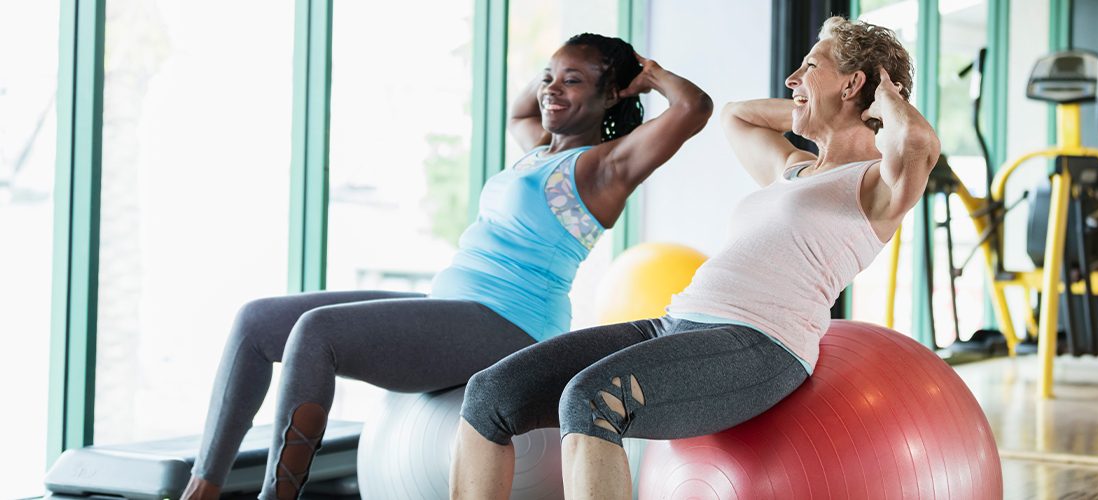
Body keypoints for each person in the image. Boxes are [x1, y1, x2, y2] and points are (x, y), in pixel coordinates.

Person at [181, 33, 712, 500]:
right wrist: (558, 72)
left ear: (611, 92)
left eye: (572, 82)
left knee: (317, 332)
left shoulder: (604, 166)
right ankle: (201, 489)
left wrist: (646, 73)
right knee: (257, 321)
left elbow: (694, 108)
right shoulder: (539, 150)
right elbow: (519, 111)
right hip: (455, 309)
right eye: (548, 77)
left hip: (510, 326)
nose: (551, 88)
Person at [449, 17, 938, 500]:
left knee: (592, 400)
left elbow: (918, 144)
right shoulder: (793, 169)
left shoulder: (876, 186)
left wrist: (879, 101)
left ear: (854, 84)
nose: (792, 80)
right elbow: (735, 115)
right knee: (491, 393)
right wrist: (813, 104)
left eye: (809, 66)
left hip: (760, 345)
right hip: (675, 324)